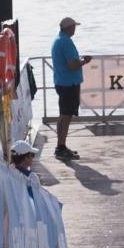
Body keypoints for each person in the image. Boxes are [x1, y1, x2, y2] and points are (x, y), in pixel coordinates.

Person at [51, 17, 92, 161]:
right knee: (66, 115)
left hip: (63, 82)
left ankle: (61, 146)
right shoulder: (65, 42)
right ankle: (60, 147)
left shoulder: (59, 39)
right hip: (68, 84)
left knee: (64, 115)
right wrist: (84, 61)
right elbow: (72, 65)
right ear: (69, 28)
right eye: (74, 26)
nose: (75, 29)